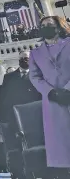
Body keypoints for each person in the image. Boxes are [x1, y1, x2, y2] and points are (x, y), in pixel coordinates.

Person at [29, 16, 70, 174]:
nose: (46, 27)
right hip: (52, 101)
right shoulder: (35, 53)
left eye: (50, 25)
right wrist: (49, 91)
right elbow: (35, 76)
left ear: (59, 27)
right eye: (43, 25)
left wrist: (67, 89)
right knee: (61, 144)